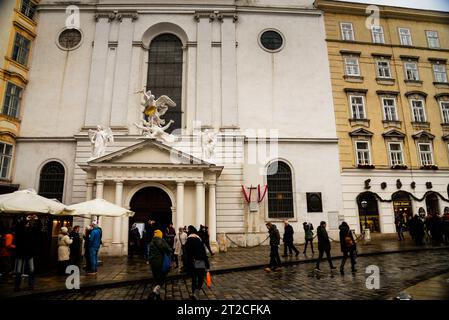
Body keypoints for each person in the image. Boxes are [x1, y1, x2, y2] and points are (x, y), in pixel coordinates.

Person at [13, 215, 41, 291]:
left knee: (30, 270)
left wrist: (36, 219)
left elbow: (38, 228)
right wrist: (26, 219)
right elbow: (18, 227)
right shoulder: (20, 230)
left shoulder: (32, 230)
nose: (28, 223)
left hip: (28, 252)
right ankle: (17, 286)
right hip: (22, 252)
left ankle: (30, 285)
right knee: (19, 271)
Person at [185, 225, 210, 300]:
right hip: (200, 262)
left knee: (193, 279)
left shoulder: (188, 241)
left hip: (191, 263)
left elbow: (186, 254)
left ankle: (193, 293)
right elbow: (204, 254)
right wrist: (207, 264)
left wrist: (187, 264)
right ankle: (196, 292)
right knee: (200, 278)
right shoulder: (199, 241)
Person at [148, 229, 172, 300]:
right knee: (163, 276)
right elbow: (166, 248)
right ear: (160, 234)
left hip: (152, 262)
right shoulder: (160, 240)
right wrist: (170, 250)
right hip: (160, 261)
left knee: (156, 277)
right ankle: (154, 291)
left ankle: (157, 295)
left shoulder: (152, 241)